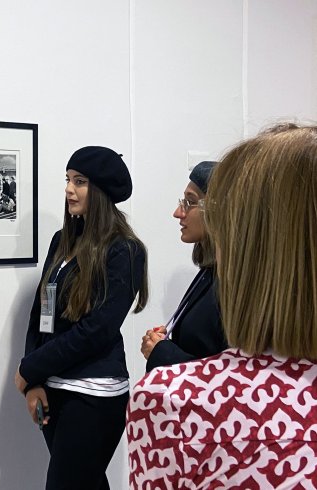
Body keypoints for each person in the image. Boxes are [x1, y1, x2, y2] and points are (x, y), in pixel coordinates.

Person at [127, 123, 317, 488]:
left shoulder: (168, 403)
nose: (178, 213)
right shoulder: (205, 276)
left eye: (188, 202)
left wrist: (165, 356)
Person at [15, 146, 149, 490]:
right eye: (68, 180)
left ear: (101, 191)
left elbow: (98, 330)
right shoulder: (62, 241)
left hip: (93, 394)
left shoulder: (125, 250)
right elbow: (41, 312)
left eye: (80, 181)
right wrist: (34, 380)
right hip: (53, 388)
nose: (69, 189)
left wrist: (30, 368)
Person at [140, 161, 226, 371]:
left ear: (218, 209)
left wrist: (162, 353)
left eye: (190, 202)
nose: (178, 212)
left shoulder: (239, 282)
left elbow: (233, 376)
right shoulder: (210, 271)